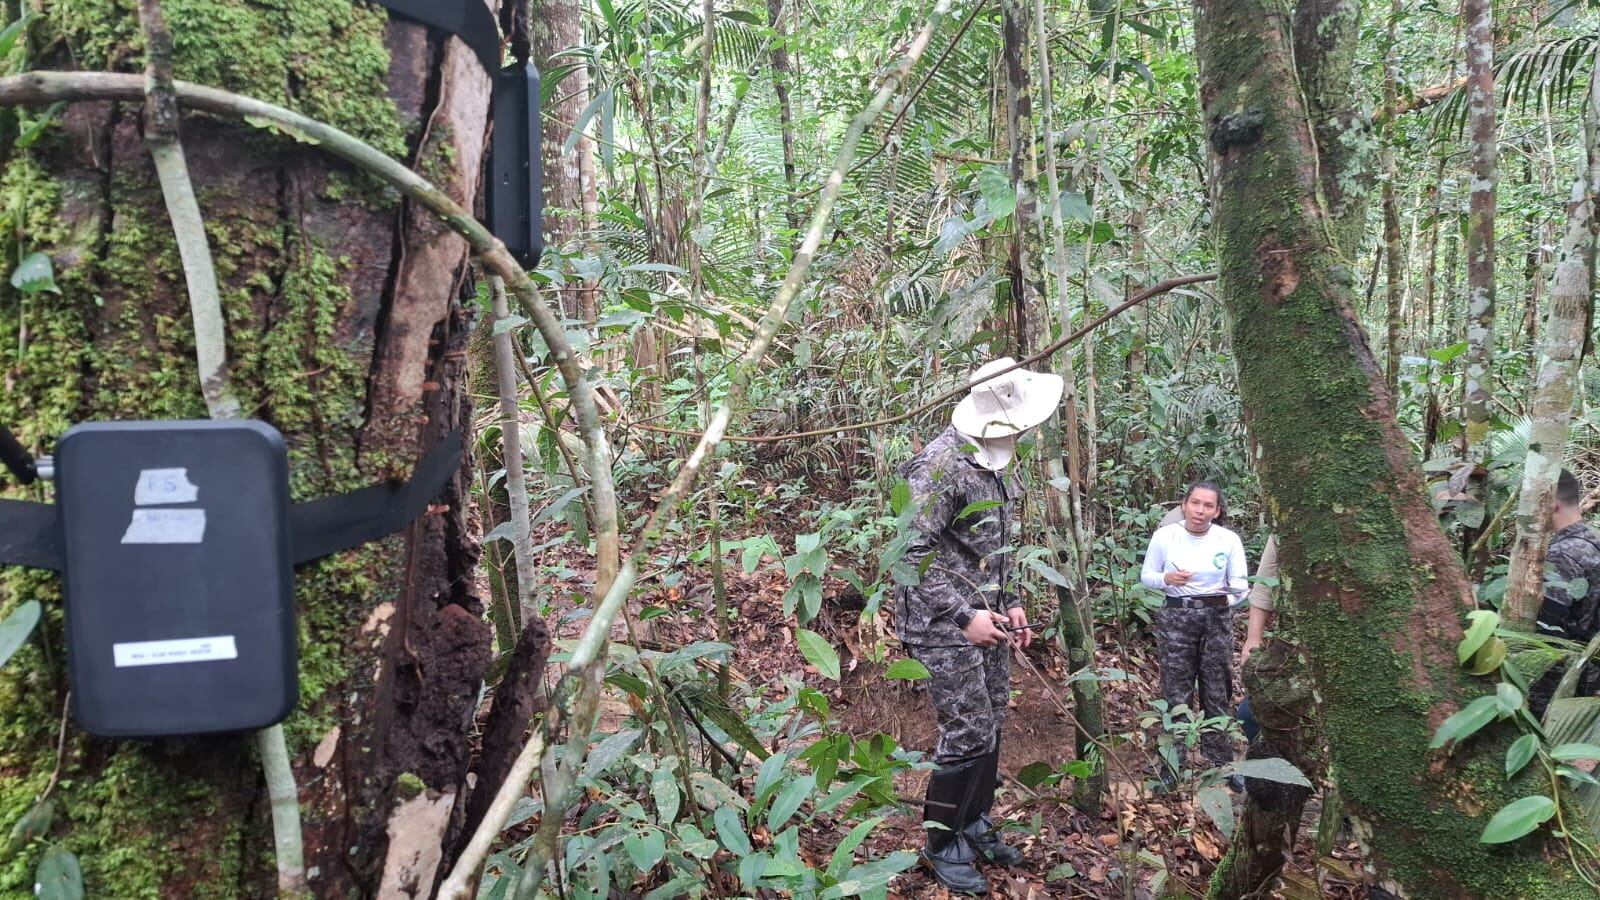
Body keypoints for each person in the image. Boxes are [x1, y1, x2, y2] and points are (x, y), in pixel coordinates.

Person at [894, 357, 1062, 894]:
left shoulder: (994, 460)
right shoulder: (939, 466)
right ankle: (942, 843)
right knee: (966, 729)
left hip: (987, 615)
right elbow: (908, 554)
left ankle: (973, 823)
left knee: (991, 721)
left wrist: (1012, 602)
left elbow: (993, 548)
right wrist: (963, 616)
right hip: (942, 623)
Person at [1141, 482, 1248, 779]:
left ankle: (1221, 764)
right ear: (1184, 505)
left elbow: (1241, 585)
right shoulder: (1166, 536)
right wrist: (1167, 579)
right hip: (1177, 615)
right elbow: (1147, 575)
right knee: (1176, 690)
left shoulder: (1228, 540)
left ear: (1217, 511)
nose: (1200, 510)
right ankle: (1172, 766)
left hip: (1217, 618)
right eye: (1195, 503)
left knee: (1217, 688)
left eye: (1208, 505)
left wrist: (1225, 599)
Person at [1531, 470, 1600, 714]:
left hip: (1567, 683)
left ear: (1551, 503)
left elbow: (1548, 628)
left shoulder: (1564, 553)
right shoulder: (1593, 538)